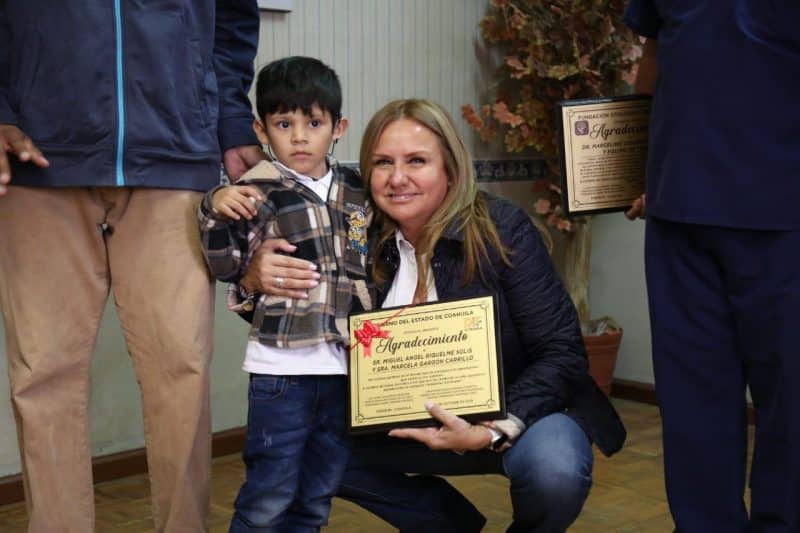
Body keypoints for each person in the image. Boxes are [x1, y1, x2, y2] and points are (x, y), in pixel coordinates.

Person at [243, 98, 626, 532]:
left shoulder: (503, 229)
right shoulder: (352, 236)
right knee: (302, 447)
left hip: (510, 414)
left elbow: (562, 351)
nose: (397, 178)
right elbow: (295, 319)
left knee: (555, 467)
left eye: (417, 161)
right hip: (397, 423)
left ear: (450, 169)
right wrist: (256, 278)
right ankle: (446, 523)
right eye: (382, 162)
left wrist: (491, 429)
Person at [0, 2, 262, 531]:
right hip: (38, 155)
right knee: (43, 373)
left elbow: (233, 17)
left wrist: (231, 118)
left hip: (174, 152)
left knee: (181, 367)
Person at [624, 1, 800, 531]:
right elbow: (654, 56)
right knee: (692, 411)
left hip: (785, 219)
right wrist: (637, 166)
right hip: (680, 216)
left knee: (791, 408)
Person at [198, 56, 373, 531]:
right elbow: (225, 266)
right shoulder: (254, 190)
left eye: (313, 123)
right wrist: (213, 207)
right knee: (269, 496)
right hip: (281, 371)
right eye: (283, 124)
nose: (299, 137)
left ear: (338, 128)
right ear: (261, 129)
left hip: (345, 370)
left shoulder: (357, 191)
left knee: (317, 494)